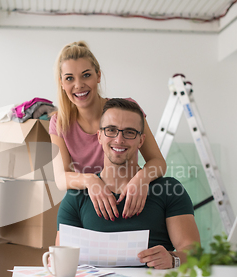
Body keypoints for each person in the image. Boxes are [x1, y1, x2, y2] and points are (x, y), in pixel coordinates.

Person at [55, 98, 200, 268]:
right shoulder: (76, 196)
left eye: (129, 132)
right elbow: (60, 259)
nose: (119, 139)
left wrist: (173, 258)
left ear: (141, 140)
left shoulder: (170, 190)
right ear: (99, 136)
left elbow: (194, 253)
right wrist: (55, 261)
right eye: (111, 130)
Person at [49, 41, 167, 222]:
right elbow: (60, 178)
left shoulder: (127, 110)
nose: (78, 85)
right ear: (62, 83)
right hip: (92, 204)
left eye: (86, 75)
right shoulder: (59, 122)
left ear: (98, 75)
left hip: (130, 198)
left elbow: (158, 162)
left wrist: (141, 179)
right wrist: (91, 181)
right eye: (70, 78)